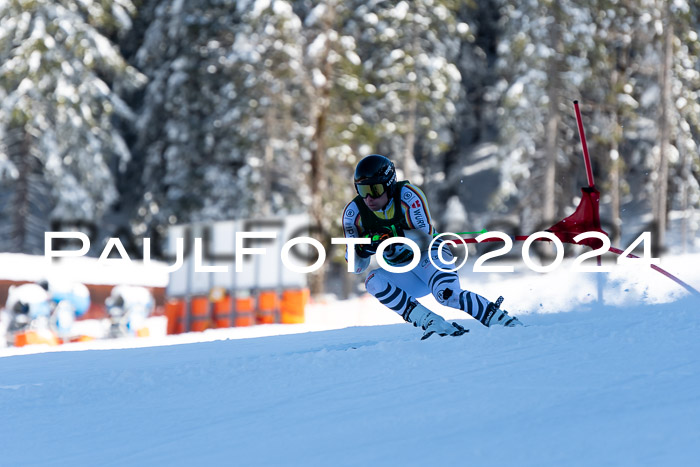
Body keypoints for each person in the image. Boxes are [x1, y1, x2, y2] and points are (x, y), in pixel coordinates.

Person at [342, 154, 522, 339]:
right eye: (362, 190)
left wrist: (393, 238)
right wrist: (363, 248)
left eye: (375, 189)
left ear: (389, 184)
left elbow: (425, 238)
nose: (369, 198)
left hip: (429, 256)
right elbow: (356, 267)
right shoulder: (353, 213)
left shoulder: (408, 196)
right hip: (404, 271)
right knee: (373, 281)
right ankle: (433, 323)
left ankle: (502, 320)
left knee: (447, 295)